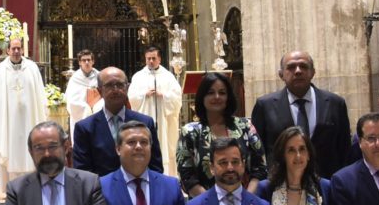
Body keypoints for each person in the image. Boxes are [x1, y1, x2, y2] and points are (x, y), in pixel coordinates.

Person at [251, 50, 351, 178]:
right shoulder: (265, 106)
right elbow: (258, 151)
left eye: (303, 66)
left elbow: (344, 149)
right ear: (281, 74)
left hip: (326, 184)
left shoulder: (335, 103)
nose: (298, 71)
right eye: (291, 67)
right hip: (281, 186)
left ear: (312, 72)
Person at [176, 72, 266, 196]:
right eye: (210, 92)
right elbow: (187, 176)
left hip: (245, 204)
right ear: (202, 97)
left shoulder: (245, 126)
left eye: (222, 93)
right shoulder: (190, 132)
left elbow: (260, 169)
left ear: (228, 97)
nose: (217, 97)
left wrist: (245, 201)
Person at [73, 67, 161, 177]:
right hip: (101, 191)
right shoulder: (85, 128)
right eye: (109, 85)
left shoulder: (145, 122)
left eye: (120, 85)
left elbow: (156, 167)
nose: (115, 90)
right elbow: (83, 172)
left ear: (127, 88)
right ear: (99, 91)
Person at [0, 36, 48, 188]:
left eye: (19, 48)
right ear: (7, 50)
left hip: (29, 119)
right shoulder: (0, 70)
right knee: (9, 147)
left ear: (23, 49)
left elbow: (40, 94)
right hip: (8, 122)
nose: (16, 51)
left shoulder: (32, 68)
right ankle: (10, 188)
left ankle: (33, 185)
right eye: (13, 48)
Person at [127, 46, 182, 176]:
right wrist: (144, 95)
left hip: (164, 122)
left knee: (165, 149)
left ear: (159, 59)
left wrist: (163, 96)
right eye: (148, 59)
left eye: (153, 58)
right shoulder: (138, 76)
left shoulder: (168, 77)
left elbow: (177, 98)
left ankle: (166, 177)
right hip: (145, 119)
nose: (151, 61)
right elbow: (131, 98)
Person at [64, 49, 102, 139]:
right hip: (80, 112)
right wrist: (87, 108)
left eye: (89, 60)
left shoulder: (99, 76)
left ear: (93, 61)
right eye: (84, 60)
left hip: (97, 111)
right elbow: (71, 100)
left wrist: (96, 105)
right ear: (79, 63)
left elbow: (104, 95)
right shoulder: (75, 78)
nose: (87, 62)